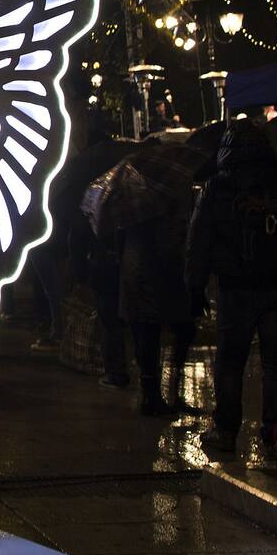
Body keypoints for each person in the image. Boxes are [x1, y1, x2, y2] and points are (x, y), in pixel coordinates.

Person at [186, 122, 277, 456]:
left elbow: (198, 244)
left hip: (236, 290)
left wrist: (194, 288)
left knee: (230, 361)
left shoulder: (217, 189)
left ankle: (225, 431)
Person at [116, 148, 201, 419]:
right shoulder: (157, 205)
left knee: (153, 334)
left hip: (140, 277)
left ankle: (158, 392)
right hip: (156, 277)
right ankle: (155, 394)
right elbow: (171, 246)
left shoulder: (130, 205)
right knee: (160, 333)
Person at [58, 117, 135, 387]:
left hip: (104, 263)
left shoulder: (90, 191)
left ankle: (115, 371)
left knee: (109, 319)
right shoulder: (133, 182)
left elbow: (78, 234)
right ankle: (138, 371)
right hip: (131, 263)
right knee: (129, 319)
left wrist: (80, 273)